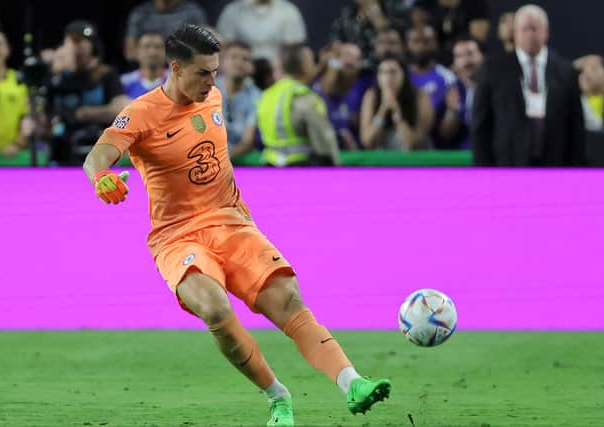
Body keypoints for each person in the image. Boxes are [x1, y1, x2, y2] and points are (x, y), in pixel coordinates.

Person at [82, 24, 390, 427]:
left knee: (288, 302)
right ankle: (277, 396)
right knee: (214, 308)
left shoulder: (214, 95)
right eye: (203, 73)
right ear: (175, 68)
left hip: (232, 222)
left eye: (215, 72)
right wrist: (101, 178)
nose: (212, 82)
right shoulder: (140, 113)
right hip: (177, 236)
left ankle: (352, 382)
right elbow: (96, 158)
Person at [472, 4, 586, 166]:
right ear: (515, 33)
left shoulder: (566, 71)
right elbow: (481, 124)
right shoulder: (493, 68)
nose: (529, 35)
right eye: (524, 29)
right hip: (507, 164)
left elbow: (576, 127)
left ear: (546, 33)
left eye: (534, 29)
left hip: (555, 165)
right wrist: (483, 169)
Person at [46, 20, 129, 165]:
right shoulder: (54, 76)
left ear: (93, 46)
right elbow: (42, 112)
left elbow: (121, 109)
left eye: (83, 42)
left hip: (99, 143)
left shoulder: (105, 74)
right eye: (73, 42)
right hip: (61, 146)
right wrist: (53, 75)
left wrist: (82, 113)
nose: (78, 47)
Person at [257, 43, 340, 166]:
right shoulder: (303, 97)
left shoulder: (266, 95)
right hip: (300, 170)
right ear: (304, 65)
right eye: (312, 60)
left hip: (270, 167)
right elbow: (325, 142)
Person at [360, 55, 433, 150]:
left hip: (414, 160)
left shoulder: (420, 96)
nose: (388, 77)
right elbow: (367, 142)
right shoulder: (371, 96)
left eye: (393, 72)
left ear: (404, 75)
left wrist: (396, 112)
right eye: (382, 72)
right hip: (383, 160)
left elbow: (412, 144)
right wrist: (383, 110)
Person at [0, 29, 32, 161]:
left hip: (13, 155)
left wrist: (17, 144)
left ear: (7, 50)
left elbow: (27, 119)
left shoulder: (21, 82)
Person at [216, 0, 307, 62]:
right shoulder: (232, 11)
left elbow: (294, 49)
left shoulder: (289, 11)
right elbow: (224, 46)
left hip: (277, 71)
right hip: (241, 67)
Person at [215, 40, 260, 158]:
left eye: (245, 59)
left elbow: (247, 141)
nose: (239, 63)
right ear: (222, 62)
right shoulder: (207, 89)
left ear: (252, 67)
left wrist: (223, 161)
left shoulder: (257, 96)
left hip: (238, 155)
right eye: (233, 57)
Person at [125, 0, 208, 61]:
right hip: (148, 70)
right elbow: (130, 52)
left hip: (182, 67)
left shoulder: (193, 13)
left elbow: (202, 47)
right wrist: (153, 56)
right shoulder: (140, 13)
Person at [121, 32, 168, 99]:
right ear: (136, 52)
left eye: (158, 47)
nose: (152, 52)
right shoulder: (124, 82)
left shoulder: (177, 81)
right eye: (146, 47)